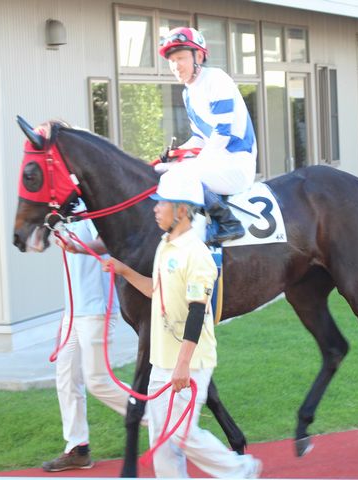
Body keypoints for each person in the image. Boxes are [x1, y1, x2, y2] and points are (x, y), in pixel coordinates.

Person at [102, 171, 262, 478]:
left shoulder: (196, 256)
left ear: (181, 210)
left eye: (162, 203)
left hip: (190, 363)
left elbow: (196, 312)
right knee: (161, 437)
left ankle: (241, 469)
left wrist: (183, 365)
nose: (155, 208)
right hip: (162, 360)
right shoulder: (165, 245)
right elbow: (156, 290)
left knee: (182, 434)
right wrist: (123, 270)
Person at [42, 207, 147, 472]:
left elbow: (108, 242)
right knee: (66, 377)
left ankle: (163, 420)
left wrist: (78, 248)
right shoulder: (65, 214)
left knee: (98, 381)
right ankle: (77, 449)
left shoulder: (92, 206)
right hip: (73, 313)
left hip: (96, 310)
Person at [157, 26, 258, 245]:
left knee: (180, 173)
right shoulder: (188, 92)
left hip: (237, 164)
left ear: (199, 57)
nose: (176, 66)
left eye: (181, 58)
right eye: (171, 61)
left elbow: (222, 134)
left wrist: (190, 163)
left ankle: (229, 223)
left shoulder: (216, 79)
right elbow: (200, 138)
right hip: (219, 162)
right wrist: (177, 152)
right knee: (162, 170)